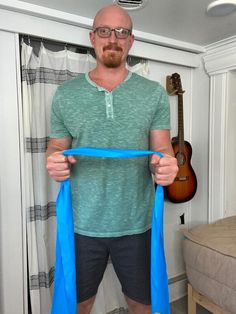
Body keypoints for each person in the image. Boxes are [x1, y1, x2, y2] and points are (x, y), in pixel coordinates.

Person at [46, 4, 178, 314]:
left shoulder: (154, 94)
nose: (113, 38)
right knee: (79, 304)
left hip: (137, 223)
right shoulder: (66, 95)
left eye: (122, 32)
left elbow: (162, 151)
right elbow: (56, 146)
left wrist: (167, 166)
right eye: (105, 31)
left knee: (142, 305)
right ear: (92, 38)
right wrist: (53, 159)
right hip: (81, 225)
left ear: (131, 41)